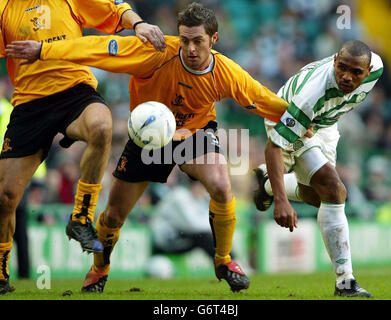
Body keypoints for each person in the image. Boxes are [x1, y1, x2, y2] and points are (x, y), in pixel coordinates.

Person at [6, 2, 290, 293]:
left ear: (213, 40)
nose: (191, 48)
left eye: (198, 42)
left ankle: (224, 260)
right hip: (147, 140)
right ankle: (99, 269)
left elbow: (264, 99)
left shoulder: (226, 73)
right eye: (185, 40)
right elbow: (99, 49)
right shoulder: (154, 53)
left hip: (194, 134)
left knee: (220, 184)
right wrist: (44, 50)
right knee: (114, 215)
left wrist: (301, 120)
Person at [0, 0, 165, 295]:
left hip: (74, 90)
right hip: (29, 103)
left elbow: (115, 8)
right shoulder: (4, 7)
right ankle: (0, 273)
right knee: (5, 197)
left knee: (102, 125)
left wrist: (138, 24)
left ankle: (81, 216)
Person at [253, 40, 383, 297]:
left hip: (326, 124)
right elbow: (273, 147)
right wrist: (281, 201)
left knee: (319, 197)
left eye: (356, 72)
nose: (347, 76)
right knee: (334, 190)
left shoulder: (377, 68)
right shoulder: (310, 95)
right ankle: (345, 282)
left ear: (367, 72)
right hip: (288, 115)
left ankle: (267, 182)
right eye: (342, 68)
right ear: (335, 60)